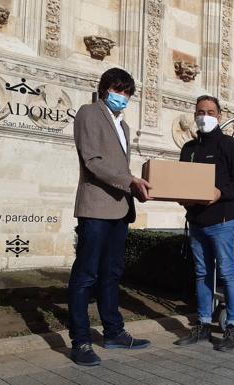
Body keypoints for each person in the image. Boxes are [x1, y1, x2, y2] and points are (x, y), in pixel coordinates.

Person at [68, 68, 152, 366]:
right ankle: (80, 341)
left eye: (128, 92)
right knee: (85, 275)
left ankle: (114, 332)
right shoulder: (89, 113)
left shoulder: (124, 126)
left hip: (119, 208)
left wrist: (136, 186)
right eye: (119, 90)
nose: (124, 97)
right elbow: (92, 161)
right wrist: (129, 181)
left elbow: (119, 167)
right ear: (105, 89)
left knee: (112, 274)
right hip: (95, 208)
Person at [175, 95, 234, 352]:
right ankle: (204, 325)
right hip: (197, 222)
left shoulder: (231, 146)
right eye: (200, 111)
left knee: (228, 273)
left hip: (223, 221)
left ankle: (232, 327)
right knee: (202, 274)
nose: (204, 116)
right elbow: (182, 182)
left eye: (209, 111)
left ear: (219, 116)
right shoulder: (189, 149)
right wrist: (182, 199)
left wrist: (220, 193)